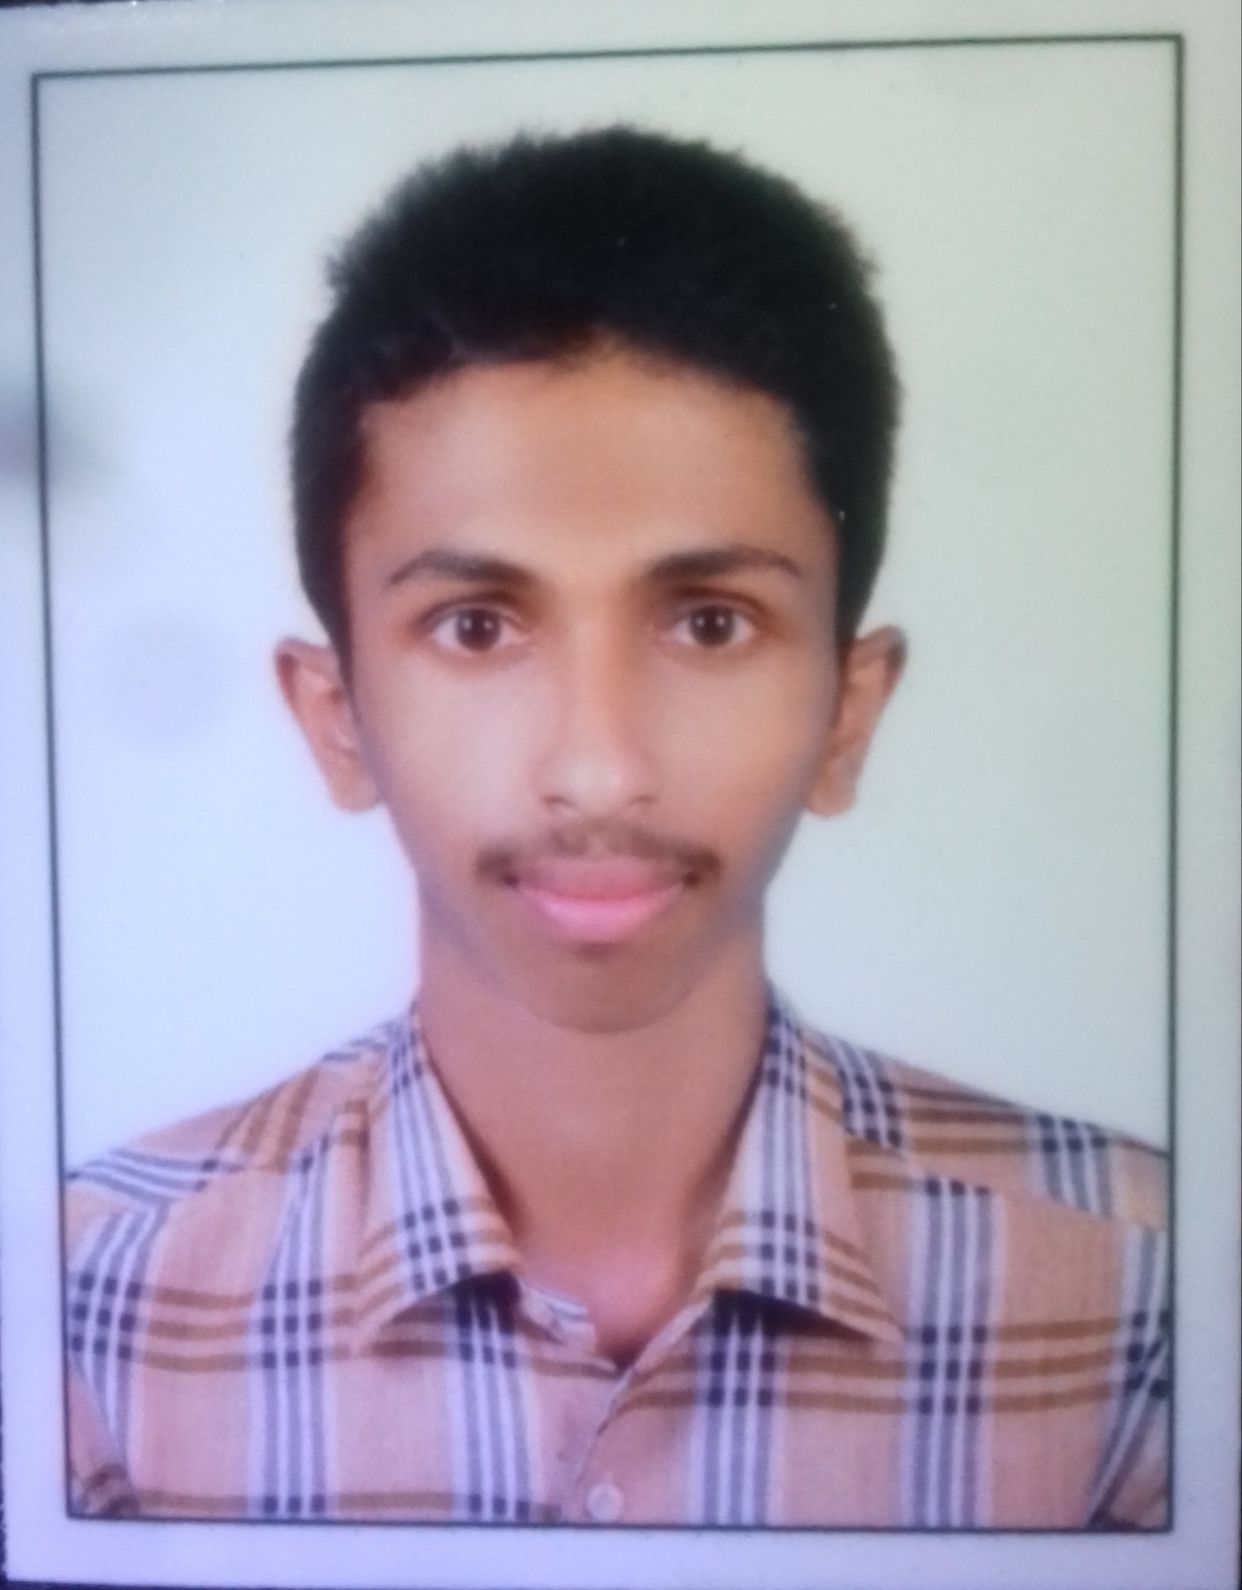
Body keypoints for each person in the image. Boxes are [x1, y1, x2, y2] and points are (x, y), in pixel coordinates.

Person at [64, 126, 1168, 1528]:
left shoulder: (1151, 1299)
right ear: (336, 718)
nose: (597, 770)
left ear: (847, 712)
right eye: (476, 626)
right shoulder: (80, 1309)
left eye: (709, 623)